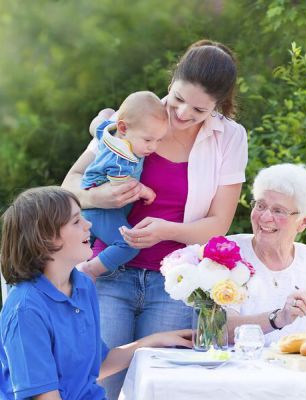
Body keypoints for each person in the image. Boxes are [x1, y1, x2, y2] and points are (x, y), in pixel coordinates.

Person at [61, 40, 247, 399]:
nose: (181, 113)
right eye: (177, 99)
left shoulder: (230, 138)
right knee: (93, 382)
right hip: (106, 272)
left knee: (163, 387)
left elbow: (219, 222)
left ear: (218, 105)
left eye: (198, 109)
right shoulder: (135, 115)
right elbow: (69, 185)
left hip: (174, 283)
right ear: (172, 80)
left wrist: (167, 231)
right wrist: (98, 196)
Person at [0, 187, 192, 400]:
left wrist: (154, 340)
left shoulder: (82, 285)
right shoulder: (25, 310)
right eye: (76, 221)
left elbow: (98, 364)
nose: (88, 224)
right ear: (45, 238)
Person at [226, 164, 306, 345]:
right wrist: (278, 318)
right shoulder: (228, 253)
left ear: (303, 222)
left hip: (304, 371)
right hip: (242, 369)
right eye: (260, 205)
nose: (265, 217)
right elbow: (218, 329)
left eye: (278, 211)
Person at [79, 91, 167, 277]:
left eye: (159, 140)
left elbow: (99, 126)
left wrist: (104, 114)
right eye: (148, 140)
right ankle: (90, 270)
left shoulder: (111, 134)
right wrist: (145, 191)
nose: (153, 147)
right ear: (124, 129)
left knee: (83, 246)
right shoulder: (122, 157)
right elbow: (121, 187)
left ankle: (75, 271)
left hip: (93, 210)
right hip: (102, 210)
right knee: (128, 245)